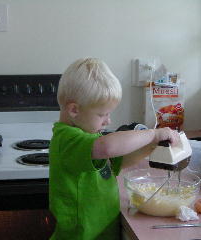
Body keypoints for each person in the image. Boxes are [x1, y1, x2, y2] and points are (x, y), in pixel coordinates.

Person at [49, 58, 180, 240]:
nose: (108, 121)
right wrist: (153, 134)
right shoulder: (67, 140)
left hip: (102, 232)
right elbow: (108, 147)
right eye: (102, 114)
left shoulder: (89, 136)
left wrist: (148, 147)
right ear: (74, 110)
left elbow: (119, 161)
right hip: (80, 236)